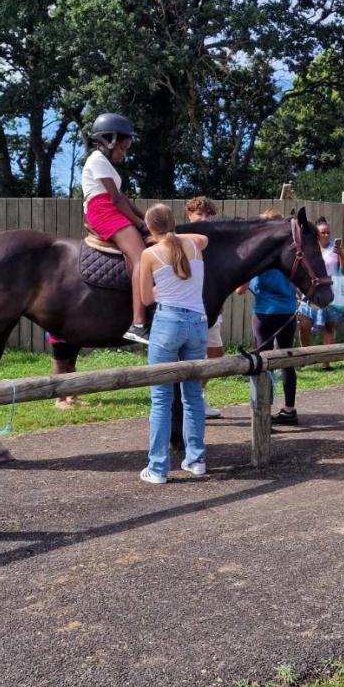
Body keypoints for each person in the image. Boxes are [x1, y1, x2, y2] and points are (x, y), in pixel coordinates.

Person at [137, 204, 210, 484]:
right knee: (193, 396)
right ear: (174, 223)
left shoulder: (149, 254)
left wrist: (161, 288)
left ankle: (158, 468)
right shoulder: (194, 246)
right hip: (198, 323)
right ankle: (196, 460)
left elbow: (146, 298)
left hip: (168, 323)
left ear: (149, 227)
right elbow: (203, 238)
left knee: (161, 399)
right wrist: (175, 236)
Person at [82, 112, 151, 344]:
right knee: (141, 258)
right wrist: (139, 223)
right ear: (109, 141)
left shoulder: (106, 165)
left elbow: (123, 198)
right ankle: (138, 324)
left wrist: (145, 217)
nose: (124, 153)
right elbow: (115, 199)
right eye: (122, 148)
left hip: (110, 208)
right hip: (103, 211)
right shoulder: (96, 160)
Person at [237, 210, 300, 426]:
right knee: (287, 359)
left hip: (265, 312)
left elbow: (240, 289)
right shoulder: (290, 252)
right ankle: (290, 409)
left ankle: (262, 411)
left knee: (262, 361)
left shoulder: (260, 254)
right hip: (288, 311)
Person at [184, 197, 223, 418]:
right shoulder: (180, 241)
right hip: (187, 308)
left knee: (216, 354)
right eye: (199, 214)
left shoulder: (214, 243)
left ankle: (197, 396)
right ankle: (187, 404)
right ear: (189, 214)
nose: (204, 219)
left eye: (208, 215)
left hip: (210, 308)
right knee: (188, 356)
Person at [298, 217, 344, 366]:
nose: (326, 235)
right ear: (317, 234)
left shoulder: (334, 250)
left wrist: (341, 255)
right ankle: (306, 357)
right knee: (304, 326)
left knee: (329, 328)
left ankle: (326, 362)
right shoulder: (309, 248)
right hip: (310, 293)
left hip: (328, 293)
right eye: (323, 233)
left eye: (328, 232)